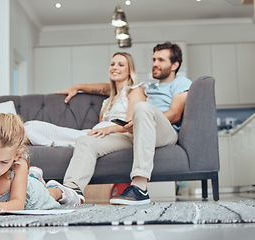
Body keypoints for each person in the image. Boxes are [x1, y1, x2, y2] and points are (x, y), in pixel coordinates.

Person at [56, 41, 192, 205]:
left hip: (164, 133)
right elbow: (109, 87)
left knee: (142, 108)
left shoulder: (181, 83)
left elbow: (175, 114)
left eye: (161, 60)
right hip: (137, 131)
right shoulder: (148, 88)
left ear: (174, 65)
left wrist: (137, 120)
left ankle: (140, 187)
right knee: (86, 141)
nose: (155, 64)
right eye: (154, 59)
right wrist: (78, 86)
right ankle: (72, 190)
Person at [24, 52, 147, 204]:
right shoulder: (112, 94)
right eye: (112, 64)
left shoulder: (135, 90)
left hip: (120, 135)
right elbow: (98, 87)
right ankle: (30, 180)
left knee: (36, 130)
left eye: (121, 65)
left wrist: (108, 129)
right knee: (33, 127)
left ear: (130, 70)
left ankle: (68, 189)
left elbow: (132, 123)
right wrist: (77, 87)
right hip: (100, 134)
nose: (115, 67)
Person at [0, 113, 81, 216]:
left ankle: (58, 189)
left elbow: (18, 204)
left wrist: (2, 207)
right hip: (21, 184)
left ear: (16, 156)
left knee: (48, 195)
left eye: (3, 162)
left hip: (32, 199)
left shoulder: (19, 165)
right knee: (28, 182)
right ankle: (33, 176)